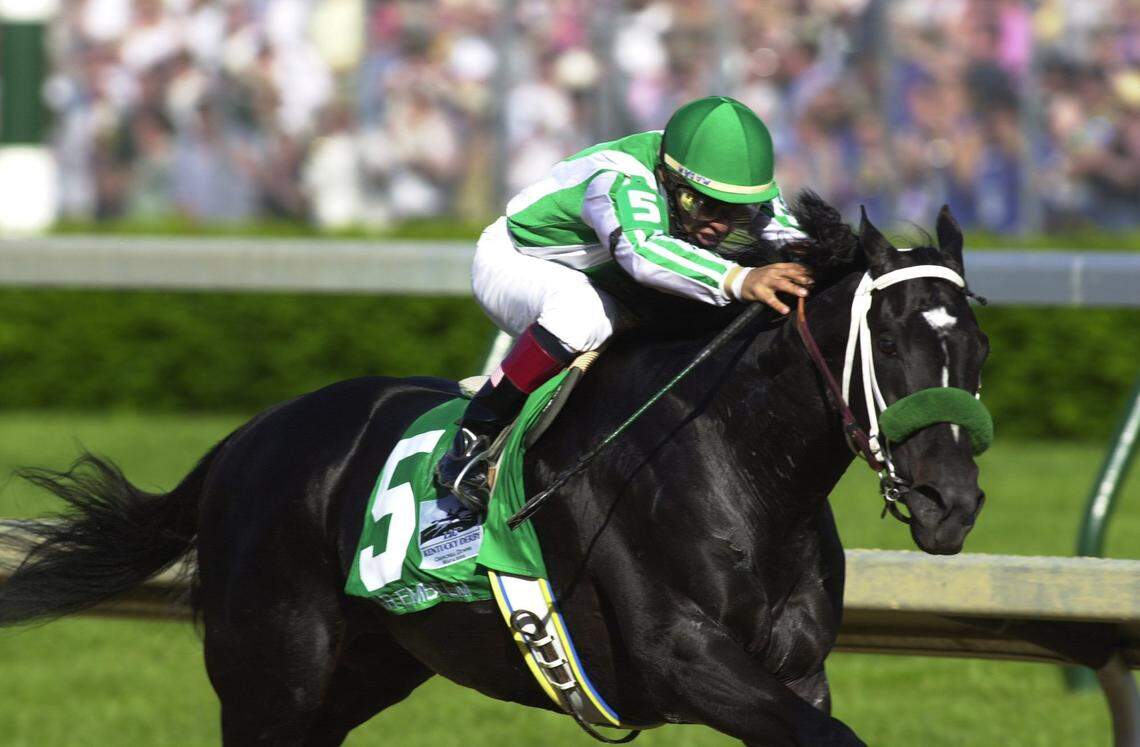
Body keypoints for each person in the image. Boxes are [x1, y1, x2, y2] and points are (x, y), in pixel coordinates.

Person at [437, 95, 815, 509]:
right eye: (701, 204)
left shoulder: (734, 184)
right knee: (587, 315)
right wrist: (740, 278)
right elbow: (644, 253)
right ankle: (475, 435)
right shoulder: (620, 178)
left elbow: (794, 242)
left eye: (734, 211)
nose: (719, 224)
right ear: (668, 178)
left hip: (602, 273)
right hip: (517, 260)